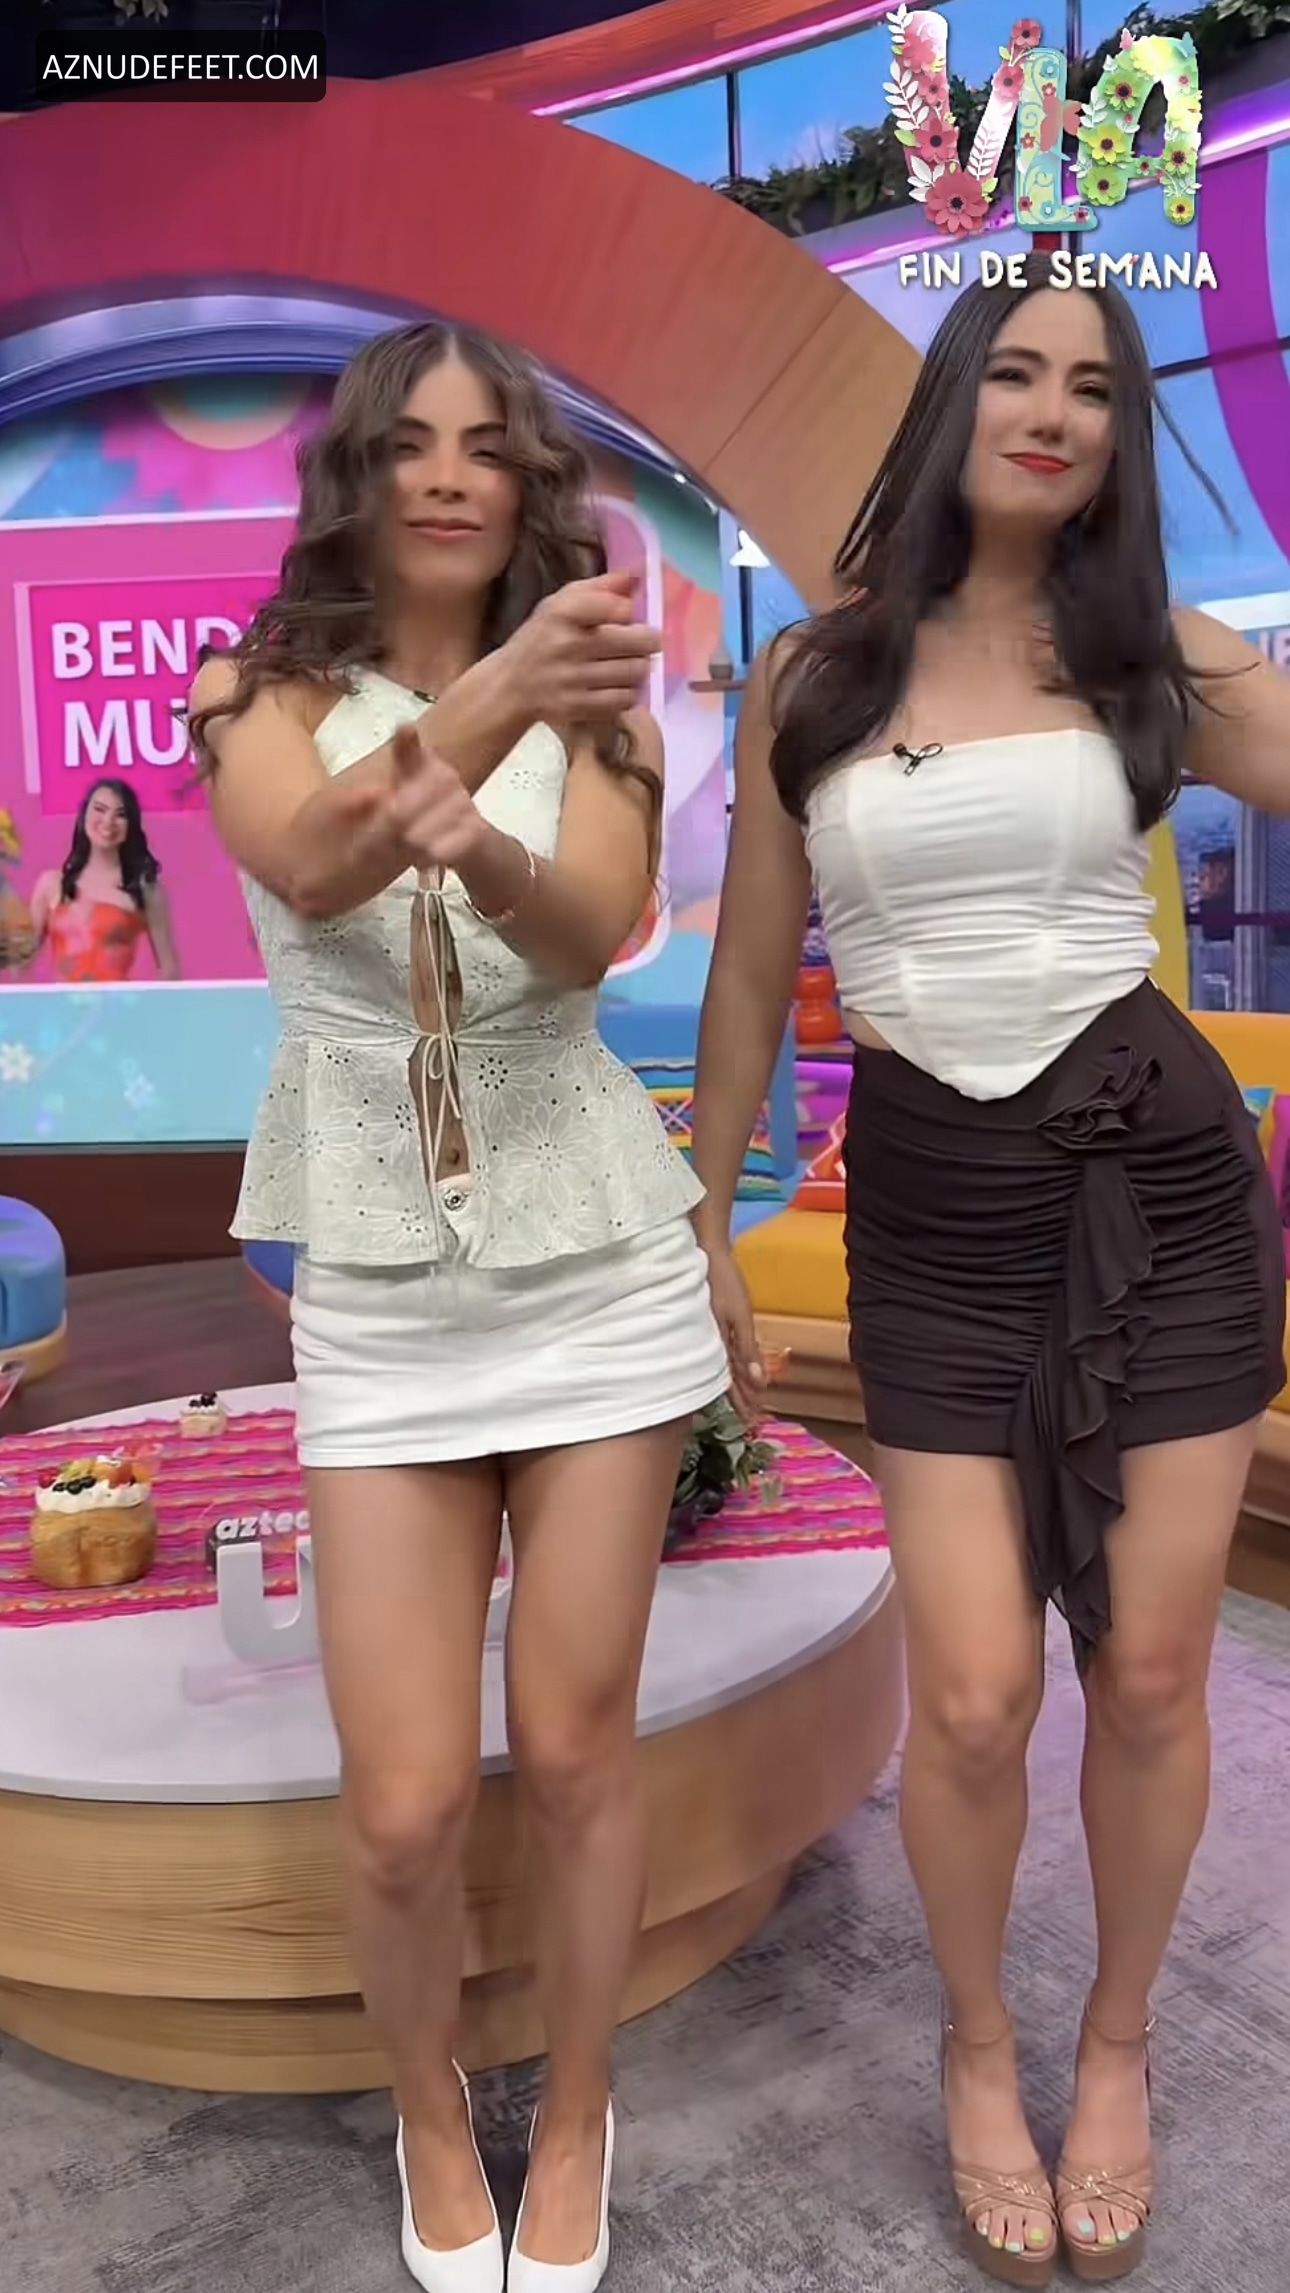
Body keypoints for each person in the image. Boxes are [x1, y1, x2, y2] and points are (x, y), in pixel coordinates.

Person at [691, 255, 1290, 2286]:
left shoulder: (1154, 660)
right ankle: (974, 2044)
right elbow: (750, 975)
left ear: (1121, 439)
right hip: (934, 1210)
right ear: (953, 400)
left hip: (1161, 1190)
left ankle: (1113, 2046)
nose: (1054, 411)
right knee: (968, 1692)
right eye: (1018, 372)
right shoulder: (816, 674)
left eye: (1096, 388)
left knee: (1150, 1670)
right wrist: (706, 1210)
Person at [190, 319, 728, 2293]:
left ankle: (575, 2112)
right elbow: (312, 856)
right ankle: (433, 2111)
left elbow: (582, 937)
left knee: (577, 1752)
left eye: (486, 444)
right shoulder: (253, 688)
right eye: (407, 440)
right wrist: (495, 697)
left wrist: (490, 828)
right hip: (384, 1283)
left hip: (593, 1262)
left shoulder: (602, 705)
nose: (444, 472)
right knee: (408, 1803)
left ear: (526, 482)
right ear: (354, 471)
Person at [27, 778, 180, 982]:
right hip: (63, 1001)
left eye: (121, 815)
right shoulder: (51, 884)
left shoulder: (146, 889)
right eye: (100, 809)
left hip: (119, 1002)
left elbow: (170, 971)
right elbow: (21, 959)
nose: (108, 821)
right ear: (84, 815)